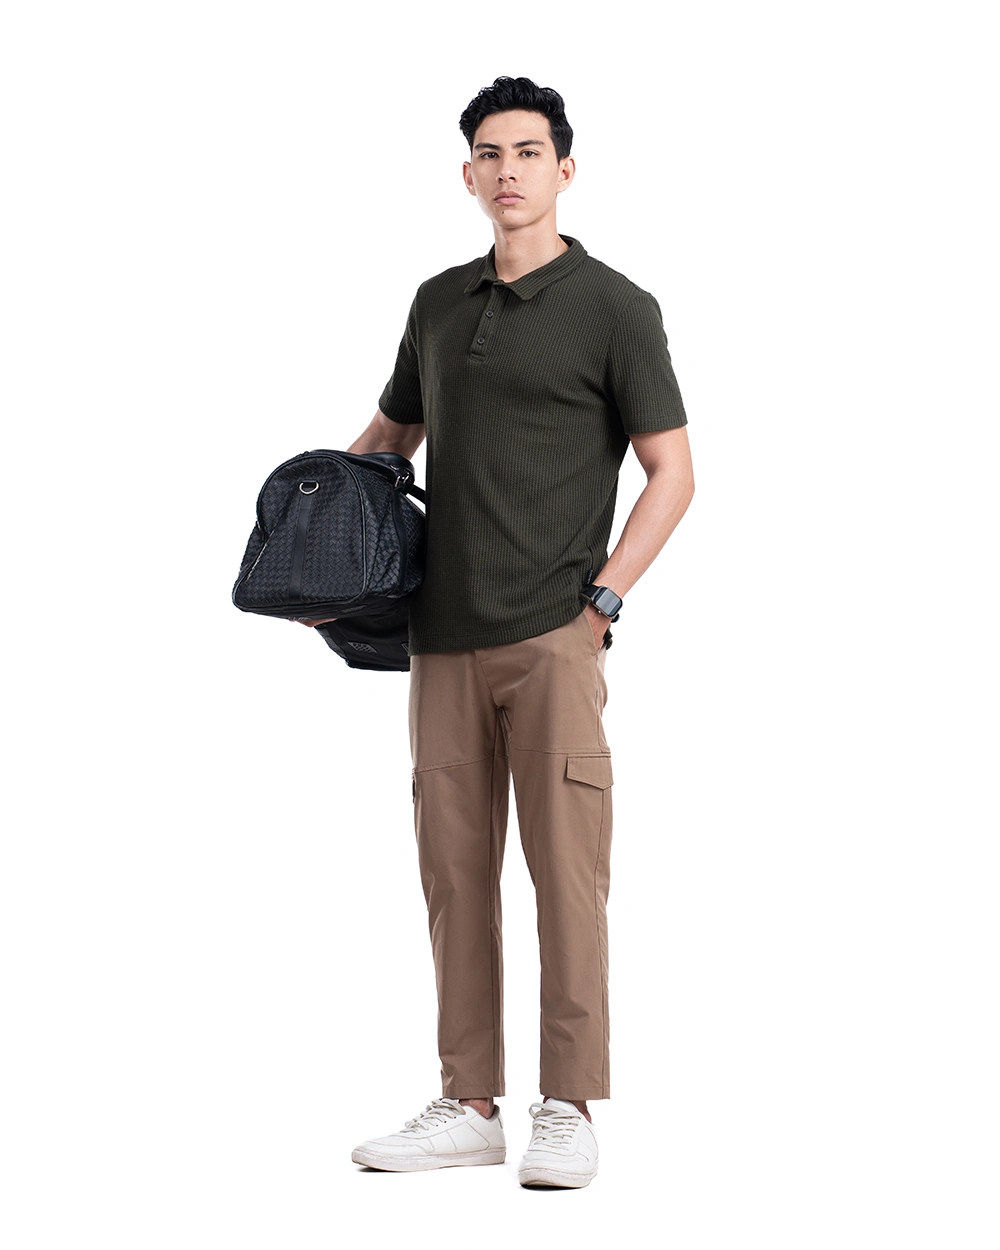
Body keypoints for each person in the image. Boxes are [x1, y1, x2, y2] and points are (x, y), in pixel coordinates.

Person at [303, 76, 694, 1188]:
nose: (508, 170)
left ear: (565, 169)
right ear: (466, 174)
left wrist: (602, 603)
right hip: (437, 641)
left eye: (528, 151)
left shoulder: (615, 307)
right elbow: (388, 440)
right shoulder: (437, 303)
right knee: (453, 877)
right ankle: (469, 1101)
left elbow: (672, 472)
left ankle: (567, 1104)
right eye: (490, 153)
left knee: (567, 878)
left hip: (554, 635)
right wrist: (315, 538)